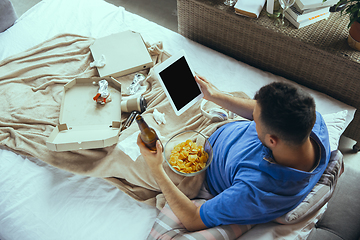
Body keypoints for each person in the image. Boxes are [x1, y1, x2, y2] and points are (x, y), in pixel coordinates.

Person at [137, 75, 330, 231]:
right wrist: (214, 95)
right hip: (220, 123)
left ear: (272, 140)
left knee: (127, 151)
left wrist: (156, 168)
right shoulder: (311, 122)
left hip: (200, 170)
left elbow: (193, 219)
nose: (253, 118)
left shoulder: (256, 191)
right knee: (162, 86)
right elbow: (259, 109)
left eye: (255, 121)